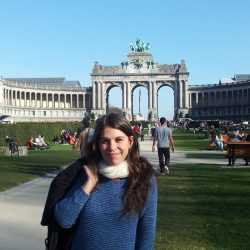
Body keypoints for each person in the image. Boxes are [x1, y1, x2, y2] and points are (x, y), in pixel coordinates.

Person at [41, 112, 158, 250]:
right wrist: (86, 187)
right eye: (105, 141)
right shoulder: (86, 172)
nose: (112, 147)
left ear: (130, 142)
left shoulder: (145, 179)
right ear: (97, 144)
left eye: (119, 140)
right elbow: (63, 220)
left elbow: (146, 238)